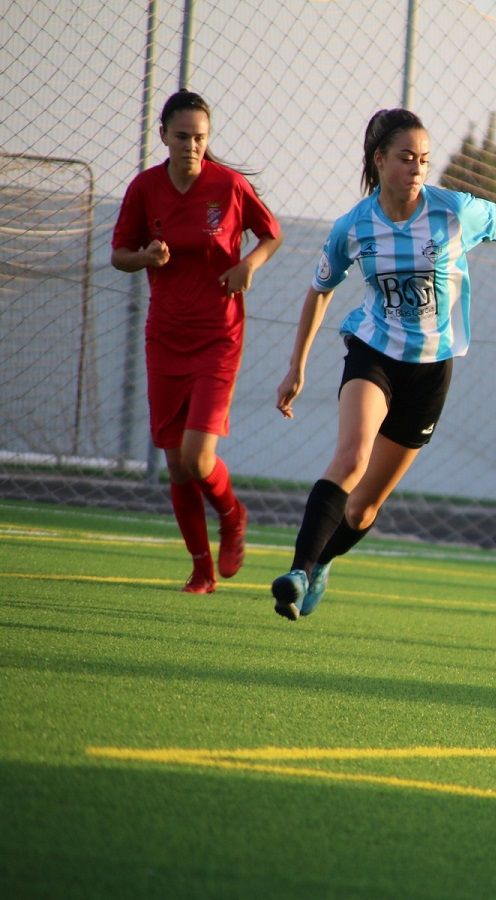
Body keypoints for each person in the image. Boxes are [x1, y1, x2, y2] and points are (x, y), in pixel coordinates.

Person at [271, 108, 496, 621]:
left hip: (430, 369)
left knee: (364, 507)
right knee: (351, 458)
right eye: (406, 158)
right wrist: (297, 365)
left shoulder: (455, 212)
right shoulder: (354, 226)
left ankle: (321, 564)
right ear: (379, 160)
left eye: (424, 160)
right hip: (373, 353)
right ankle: (298, 570)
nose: (416, 169)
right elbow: (319, 290)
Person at [111, 90, 283, 594]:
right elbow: (119, 253)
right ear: (163, 135)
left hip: (218, 335)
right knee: (175, 462)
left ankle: (233, 516)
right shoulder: (144, 189)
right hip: (165, 336)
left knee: (198, 457)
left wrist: (248, 265)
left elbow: (271, 235)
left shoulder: (227, 186)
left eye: (200, 138)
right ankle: (201, 568)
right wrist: (146, 257)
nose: (192, 145)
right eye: (183, 136)